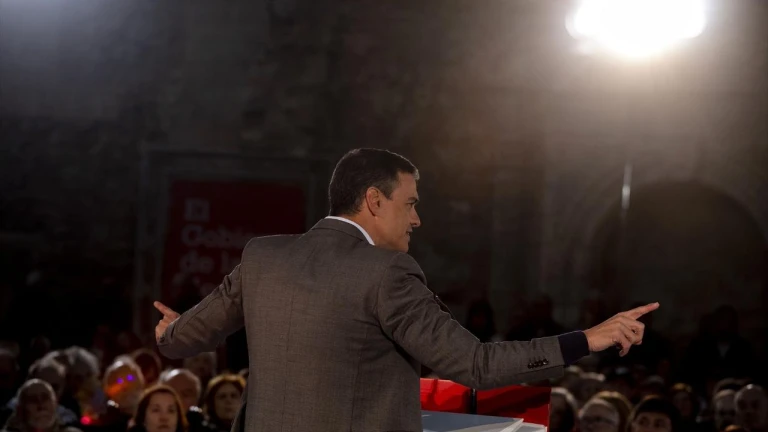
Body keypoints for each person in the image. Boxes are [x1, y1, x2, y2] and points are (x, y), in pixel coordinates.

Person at [152, 148, 659, 431]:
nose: (417, 219)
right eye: (410, 203)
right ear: (374, 201)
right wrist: (585, 340)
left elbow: (181, 340)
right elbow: (474, 365)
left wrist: (170, 330)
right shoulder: (388, 272)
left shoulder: (262, 256)